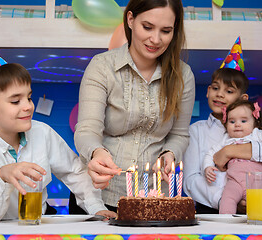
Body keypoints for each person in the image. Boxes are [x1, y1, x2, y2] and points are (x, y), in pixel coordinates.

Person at [74, 0, 195, 211]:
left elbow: (180, 135)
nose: (155, 39)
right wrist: (96, 153)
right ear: (130, 20)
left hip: (155, 198)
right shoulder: (102, 66)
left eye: (166, 31)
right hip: (98, 196)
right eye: (147, 27)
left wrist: (170, 153)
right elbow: (86, 130)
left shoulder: (183, 76)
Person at [183, 37, 262, 214]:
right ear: (208, 91)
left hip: (254, 203)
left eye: (229, 91)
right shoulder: (196, 131)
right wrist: (224, 199)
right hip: (211, 209)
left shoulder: (254, 128)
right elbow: (191, 179)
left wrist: (230, 152)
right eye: (216, 88)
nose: (220, 95)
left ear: (243, 99)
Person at [203, 100, 262, 214]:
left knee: (260, 211)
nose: (237, 124)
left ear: (255, 122)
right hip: (235, 181)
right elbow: (211, 153)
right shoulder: (226, 140)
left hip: (257, 182)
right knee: (227, 199)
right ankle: (225, 224)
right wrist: (207, 167)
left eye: (243, 121)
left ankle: (259, 229)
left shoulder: (257, 134)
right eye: (232, 121)